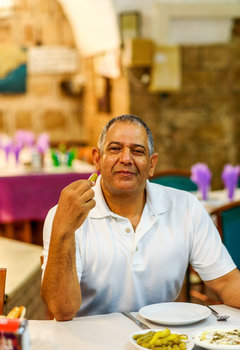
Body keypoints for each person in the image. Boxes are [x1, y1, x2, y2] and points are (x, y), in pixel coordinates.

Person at [41, 114, 240, 321]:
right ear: (97, 159)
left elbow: (226, 282)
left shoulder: (186, 207)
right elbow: (62, 310)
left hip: (163, 341)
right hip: (90, 345)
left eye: (137, 151)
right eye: (115, 149)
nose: (126, 159)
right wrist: (64, 230)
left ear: (152, 164)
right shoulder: (65, 216)